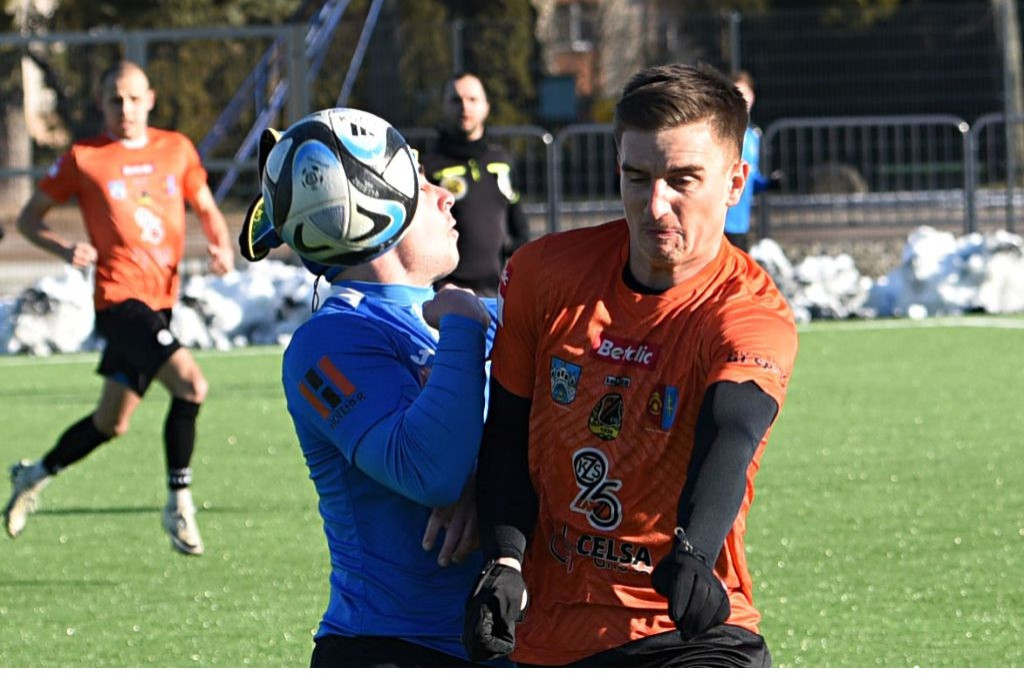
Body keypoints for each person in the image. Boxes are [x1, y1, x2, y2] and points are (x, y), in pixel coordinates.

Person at [463, 63, 799, 667]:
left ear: (735, 181)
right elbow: (507, 431)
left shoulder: (750, 311)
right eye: (636, 177)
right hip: (551, 634)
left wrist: (695, 553)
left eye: (682, 180)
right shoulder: (544, 274)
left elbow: (734, 430)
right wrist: (505, 559)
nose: (655, 205)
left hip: (689, 628)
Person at [246, 109, 501, 666]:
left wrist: (489, 485)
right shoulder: (329, 341)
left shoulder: (474, 314)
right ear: (375, 209)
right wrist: (462, 326)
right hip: (391, 650)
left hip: (499, 642)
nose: (446, 196)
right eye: (422, 180)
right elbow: (429, 469)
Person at [4, 60, 234, 556]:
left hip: (161, 302)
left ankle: (33, 473)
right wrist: (66, 250)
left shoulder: (176, 149)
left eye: (132, 98)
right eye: (114, 100)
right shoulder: (84, 158)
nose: (124, 109)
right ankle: (179, 504)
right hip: (119, 300)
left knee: (112, 422)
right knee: (192, 386)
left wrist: (220, 246)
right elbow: (27, 219)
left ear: (149, 98)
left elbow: (206, 207)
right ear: (100, 104)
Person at [419, 72, 530, 296]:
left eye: (472, 99)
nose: (464, 107)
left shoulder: (501, 160)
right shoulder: (428, 166)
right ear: (443, 107)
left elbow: (518, 224)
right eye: (455, 100)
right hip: (447, 294)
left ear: (486, 106)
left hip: (497, 292)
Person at [723, 70, 776, 252]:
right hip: (720, 220)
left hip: (741, 221)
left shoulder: (753, 135)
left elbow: (750, 176)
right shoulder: (719, 132)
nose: (742, 99)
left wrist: (768, 184)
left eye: (746, 94)